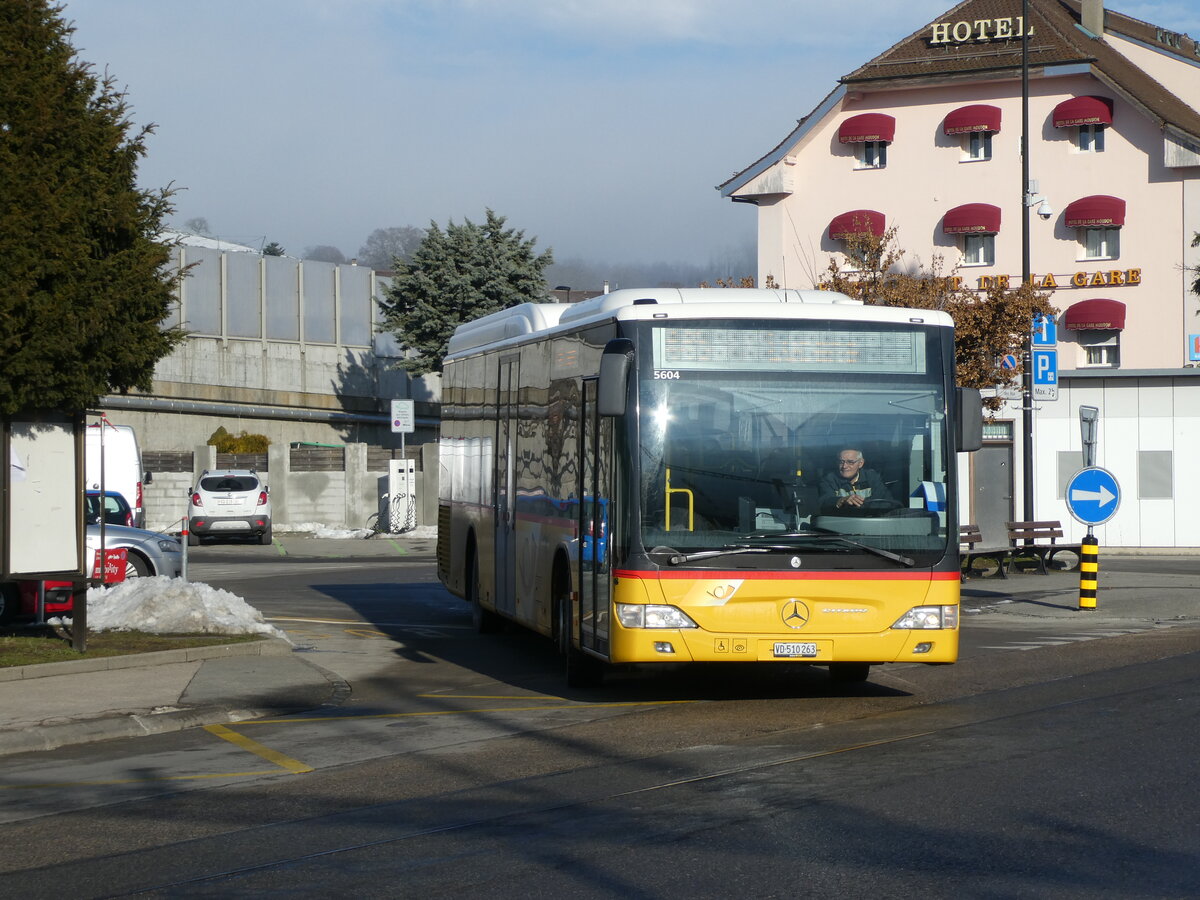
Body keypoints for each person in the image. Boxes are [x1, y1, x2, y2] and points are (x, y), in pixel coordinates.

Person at [819, 448, 894, 513]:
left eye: (850, 462)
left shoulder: (872, 477)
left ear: (861, 463)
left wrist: (859, 505)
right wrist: (841, 501)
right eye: (841, 462)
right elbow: (824, 503)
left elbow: (886, 502)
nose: (844, 466)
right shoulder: (829, 479)